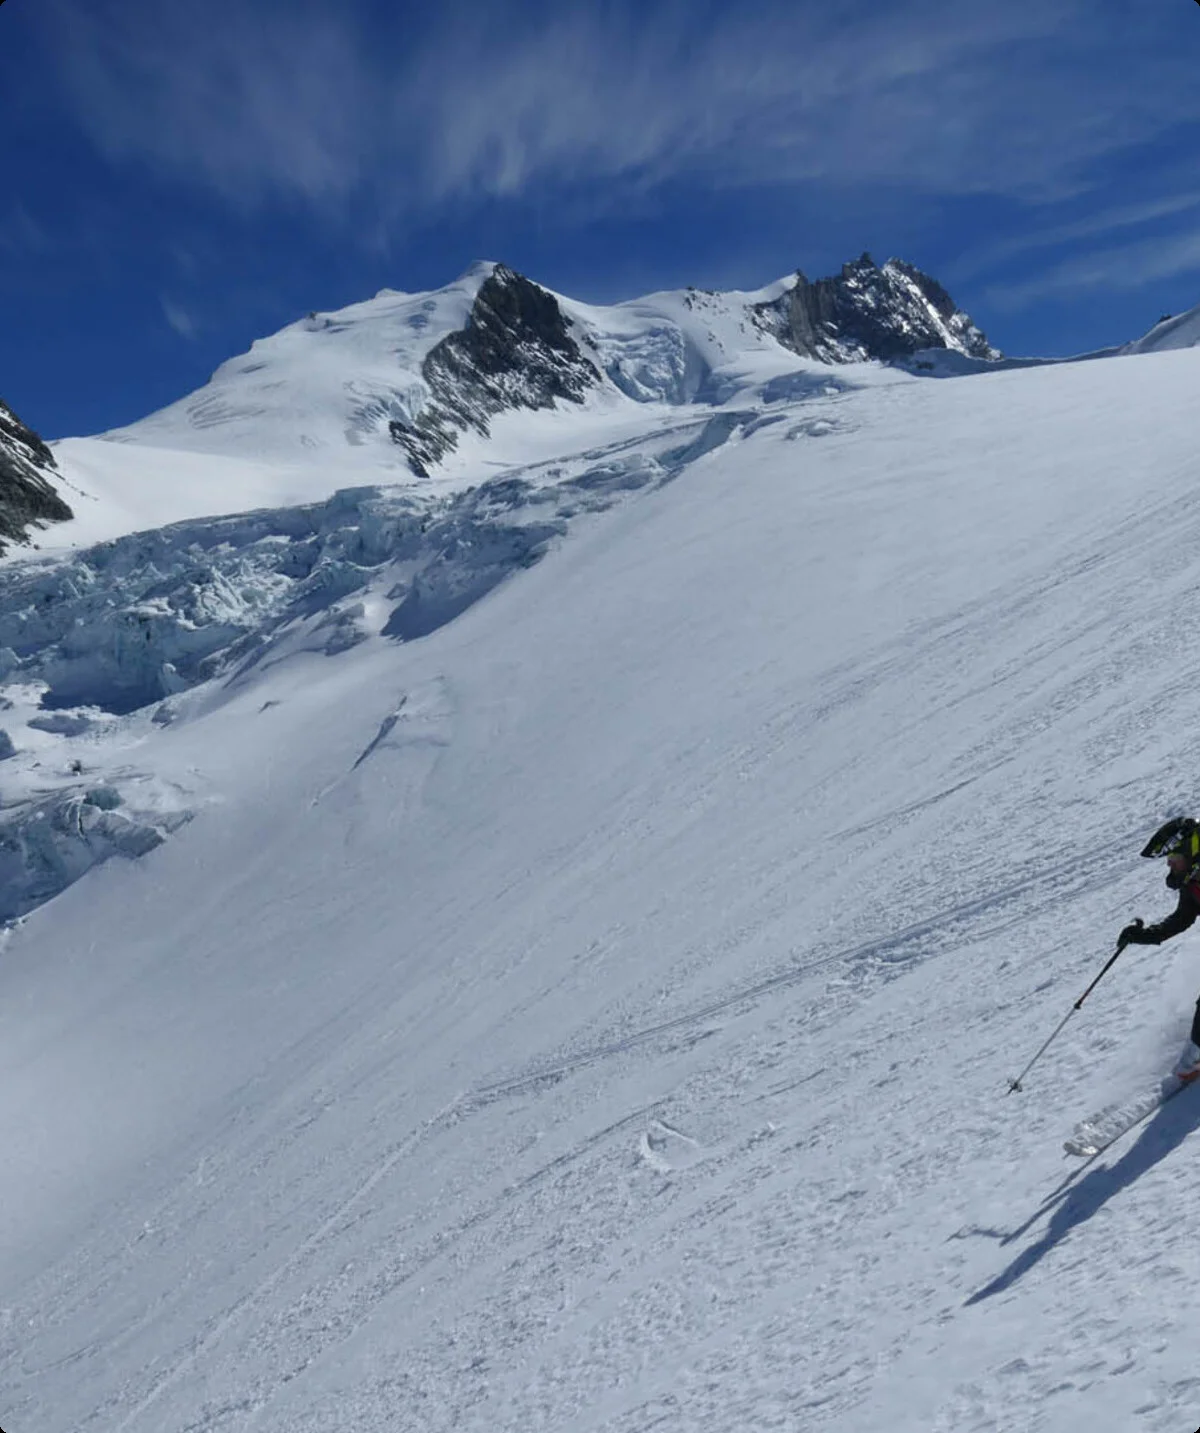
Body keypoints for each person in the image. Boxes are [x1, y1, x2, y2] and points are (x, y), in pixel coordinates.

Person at [1118, 817, 1200, 1077]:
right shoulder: (1192, 882)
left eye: (1175, 861)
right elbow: (1183, 918)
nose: (1171, 867)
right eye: (1170, 862)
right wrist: (1143, 935)